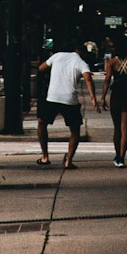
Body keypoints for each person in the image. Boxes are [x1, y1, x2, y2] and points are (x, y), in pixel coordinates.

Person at [35, 39, 97, 168]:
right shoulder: (81, 62)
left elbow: (41, 68)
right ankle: (69, 160)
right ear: (79, 51)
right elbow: (88, 79)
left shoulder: (57, 56)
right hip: (70, 99)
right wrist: (93, 99)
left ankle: (45, 156)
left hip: (52, 96)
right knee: (75, 130)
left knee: (42, 123)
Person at [105, 40, 127, 166]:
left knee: (117, 128)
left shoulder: (112, 62)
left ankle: (117, 155)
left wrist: (102, 97)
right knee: (125, 128)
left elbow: (107, 80)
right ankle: (122, 157)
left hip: (116, 96)